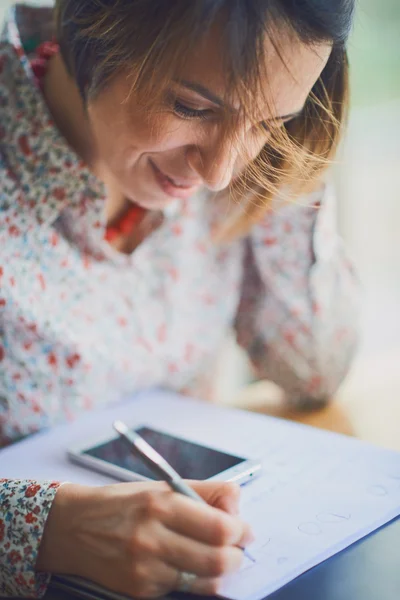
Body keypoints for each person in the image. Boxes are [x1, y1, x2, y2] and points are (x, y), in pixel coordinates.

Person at [0, 1, 359, 598]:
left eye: (271, 121)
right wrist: (47, 530)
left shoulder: (239, 163)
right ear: (93, 22)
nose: (218, 172)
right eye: (191, 106)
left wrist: (293, 160)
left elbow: (313, 368)